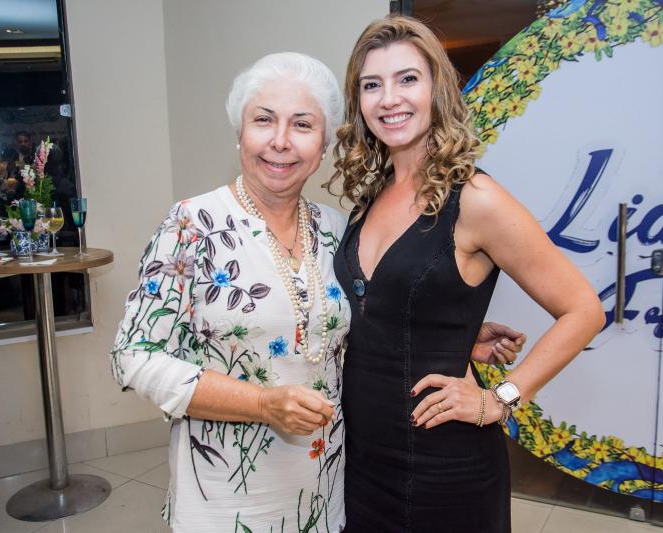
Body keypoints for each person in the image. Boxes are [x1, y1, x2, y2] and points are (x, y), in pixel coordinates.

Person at [112, 51, 524, 532]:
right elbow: (132, 357)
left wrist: (446, 335)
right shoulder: (192, 225)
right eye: (263, 120)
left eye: (303, 125)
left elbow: (355, 323)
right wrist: (262, 404)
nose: (281, 141)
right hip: (227, 493)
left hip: (328, 488)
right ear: (239, 132)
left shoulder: (335, 230)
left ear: (324, 143)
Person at [331, 17, 605, 532]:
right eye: (372, 85)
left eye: (407, 79)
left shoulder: (477, 199)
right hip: (364, 460)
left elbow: (584, 310)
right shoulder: (372, 194)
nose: (389, 98)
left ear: (437, 88)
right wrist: (447, 327)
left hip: (444, 469)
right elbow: (379, 308)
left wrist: (499, 399)